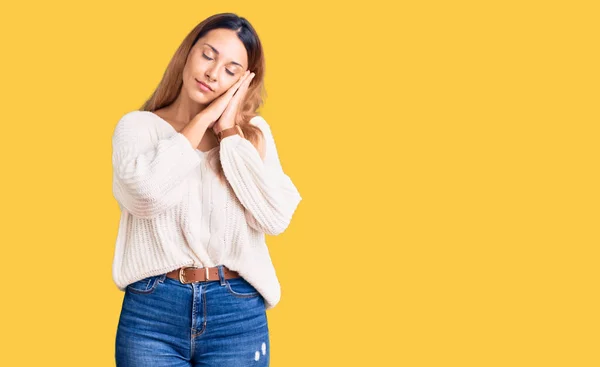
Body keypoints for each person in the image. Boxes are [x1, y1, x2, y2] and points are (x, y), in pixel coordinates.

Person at [111, 13, 302, 366]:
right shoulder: (137, 128)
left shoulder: (252, 135)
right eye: (208, 55)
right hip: (153, 312)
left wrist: (228, 131)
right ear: (188, 53)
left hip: (236, 312)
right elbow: (146, 197)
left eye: (231, 70)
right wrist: (201, 121)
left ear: (244, 83)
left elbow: (275, 218)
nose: (213, 73)